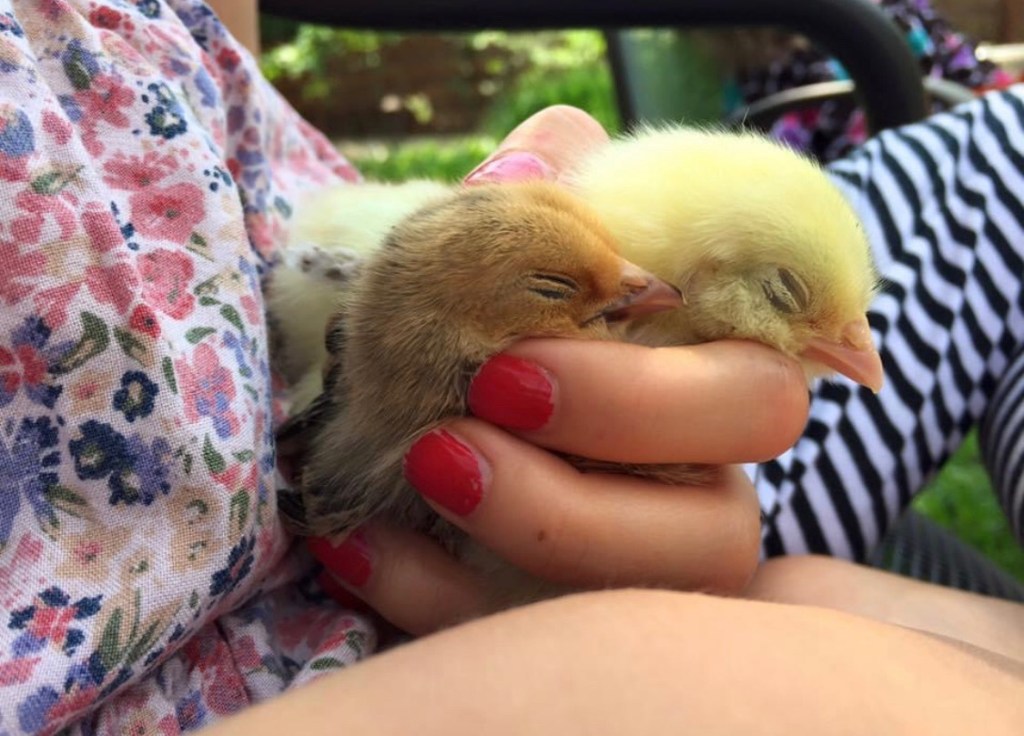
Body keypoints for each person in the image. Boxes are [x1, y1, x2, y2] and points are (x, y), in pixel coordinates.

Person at [0, 2, 1018, 734]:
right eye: (797, 300)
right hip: (375, 660)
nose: (859, 349)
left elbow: (242, 126)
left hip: (615, 540)